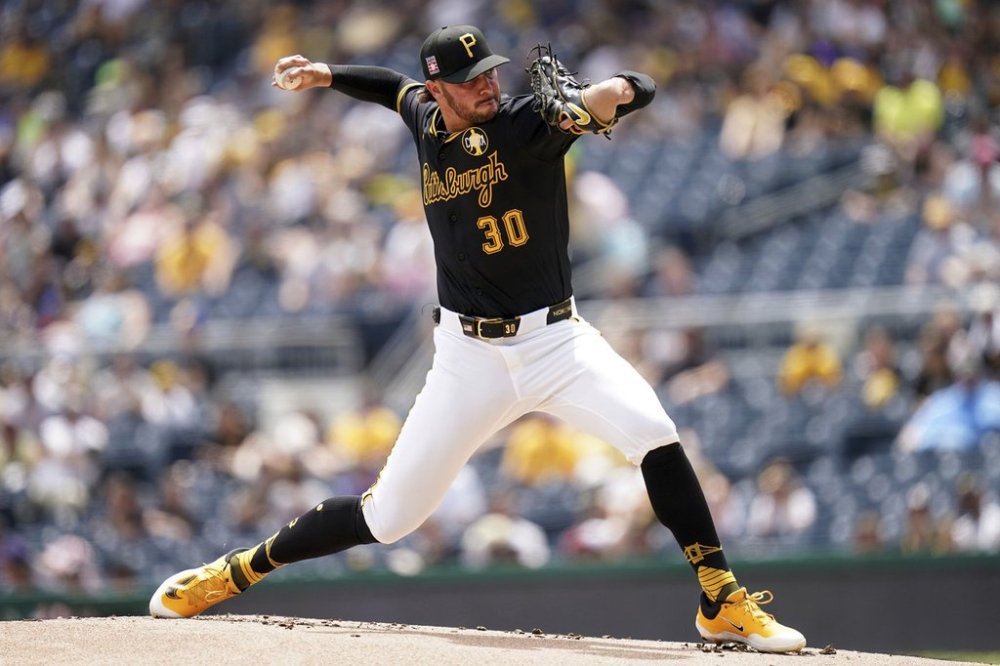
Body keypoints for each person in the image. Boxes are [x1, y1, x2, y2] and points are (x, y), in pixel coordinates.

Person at [148, 25, 805, 653]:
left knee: (655, 433)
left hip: (555, 343)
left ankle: (721, 600)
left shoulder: (528, 124)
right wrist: (328, 75)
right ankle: (234, 573)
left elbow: (634, 89)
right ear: (440, 93)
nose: (486, 87)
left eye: (488, 72)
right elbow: (390, 87)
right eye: (468, 81)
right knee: (388, 518)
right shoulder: (425, 119)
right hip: (467, 360)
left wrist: (613, 93)